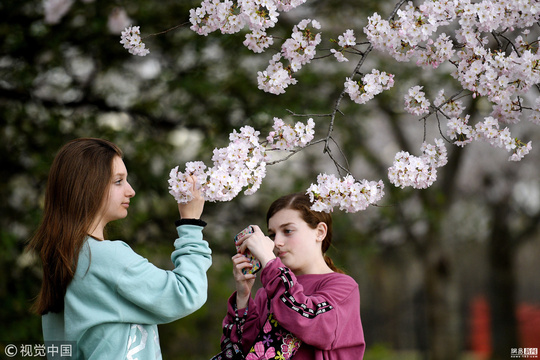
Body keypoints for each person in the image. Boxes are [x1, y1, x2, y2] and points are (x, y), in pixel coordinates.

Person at [27, 138, 212, 360]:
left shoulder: (64, 258)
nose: (130, 191)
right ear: (87, 187)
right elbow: (186, 293)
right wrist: (190, 224)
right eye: (118, 181)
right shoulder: (105, 256)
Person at [222, 192, 365, 359]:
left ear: (320, 232)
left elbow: (307, 321)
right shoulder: (267, 292)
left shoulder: (343, 287)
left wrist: (270, 263)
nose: (277, 243)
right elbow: (240, 351)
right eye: (273, 234)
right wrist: (243, 296)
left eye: (288, 231)